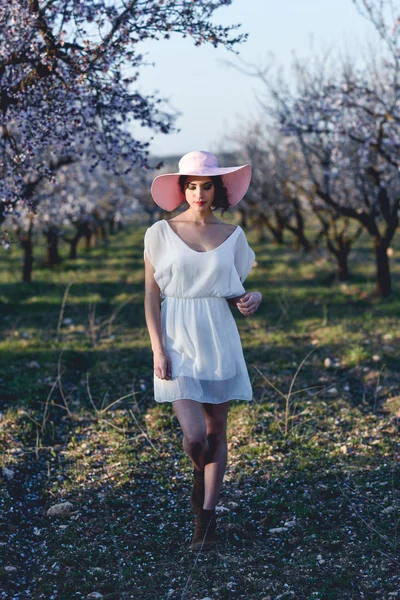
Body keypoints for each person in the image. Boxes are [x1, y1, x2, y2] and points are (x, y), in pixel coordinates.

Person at [143, 150, 262, 551]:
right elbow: (150, 294)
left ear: (218, 189)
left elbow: (235, 292)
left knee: (217, 432)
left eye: (206, 185)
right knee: (194, 438)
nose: (199, 193)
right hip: (176, 336)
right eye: (191, 186)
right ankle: (201, 477)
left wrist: (253, 298)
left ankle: (206, 523)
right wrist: (158, 348)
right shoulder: (159, 233)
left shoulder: (233, 236)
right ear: (182, 189)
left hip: (219, 335)